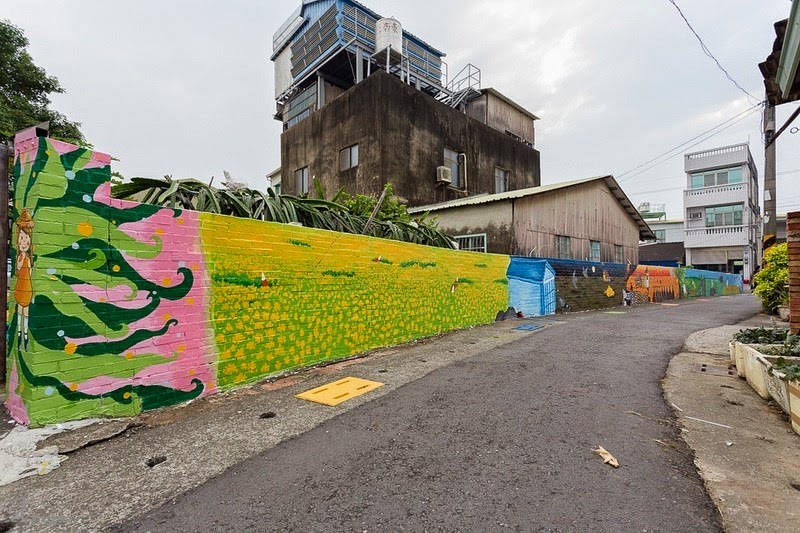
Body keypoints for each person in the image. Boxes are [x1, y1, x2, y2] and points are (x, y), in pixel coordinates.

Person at [14, 209, 34, 350]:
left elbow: (29, 273)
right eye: (21, 238)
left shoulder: (26, 258)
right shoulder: (20, 258)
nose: (23, 242)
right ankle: (20, 332)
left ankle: (25, 333)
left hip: (26, 287)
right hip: (20, 287)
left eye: (26, 239)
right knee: (20, 311)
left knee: (25, 311)